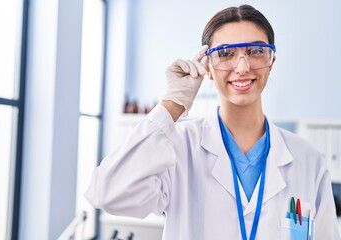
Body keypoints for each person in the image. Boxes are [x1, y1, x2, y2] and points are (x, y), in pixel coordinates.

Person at [85, 4, 341, 240]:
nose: (242, 67)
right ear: (207, 66)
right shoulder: (178, 148)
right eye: (226, 53)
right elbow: (108, 192)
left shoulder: (308, 160)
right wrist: (173, 103)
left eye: (255, 51)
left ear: (271, 61)